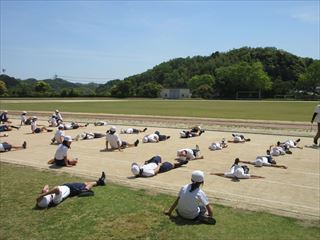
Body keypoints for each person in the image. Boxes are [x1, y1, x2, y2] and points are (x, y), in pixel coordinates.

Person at [36, 172, 106, 208]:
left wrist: (44, 191)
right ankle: (99, 183)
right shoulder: (55, 200)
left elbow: (46, 186)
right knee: (87, 184)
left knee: (85, 183)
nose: (40, 197)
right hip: (71, 189)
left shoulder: (48, 199)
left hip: (67, 187)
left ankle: (98, 182)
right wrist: (44, 193)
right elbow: (56, 189)